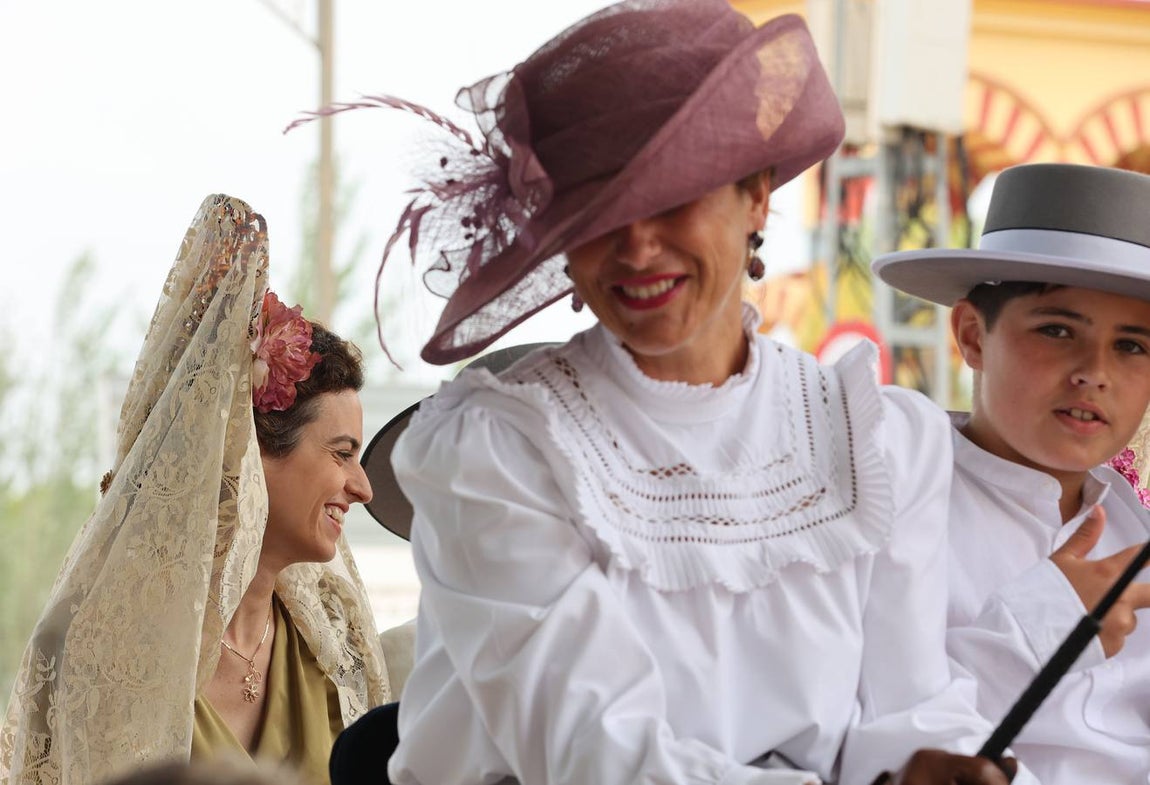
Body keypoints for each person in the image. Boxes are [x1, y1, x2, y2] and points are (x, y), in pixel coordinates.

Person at [310, 2, 1021, 783]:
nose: (638, 246)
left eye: (674, 198)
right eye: (598, 215)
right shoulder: (498, 445)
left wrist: (944, 763)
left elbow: (907, 705)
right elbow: (589, 749)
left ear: (756, 196)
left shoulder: (877, 439)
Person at [0, 195, 392, 785]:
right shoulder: (99, 651)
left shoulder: (336, 642)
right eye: (341, 455)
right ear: (251, 455)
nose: (361, 487)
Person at [872, 162, 1150, 782]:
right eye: (1057, 330)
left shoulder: (1134, 527)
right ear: (973, 335)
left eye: (1132, 345)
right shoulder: (892, 499)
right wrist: (1043, 621)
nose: (1093, 373)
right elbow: (873, 726)